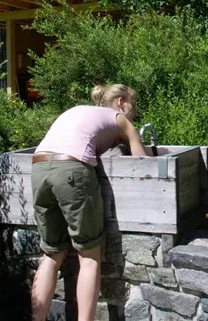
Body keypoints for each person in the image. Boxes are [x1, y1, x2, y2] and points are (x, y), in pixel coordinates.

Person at [30, 84, 149, 321]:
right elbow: (143, 164)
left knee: (52, 254)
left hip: (39, 167)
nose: (133, 112)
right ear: (120, 102)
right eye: (132, 105)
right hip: (72, 170)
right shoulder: (119, 119)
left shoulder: (80, 111)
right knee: (89, 255)